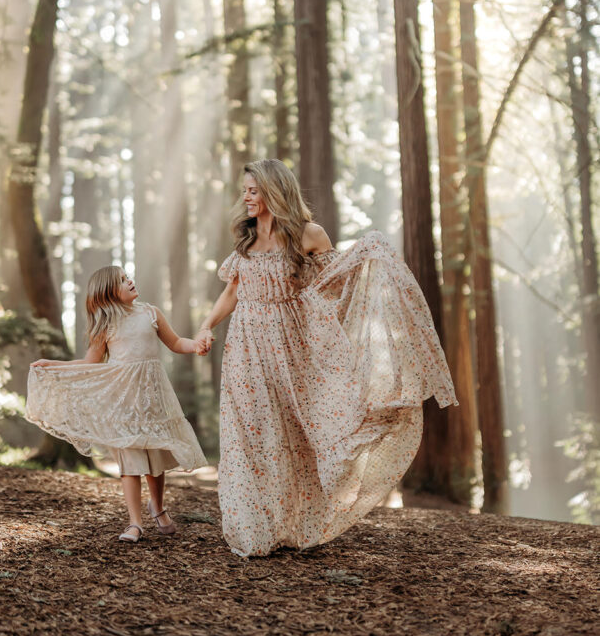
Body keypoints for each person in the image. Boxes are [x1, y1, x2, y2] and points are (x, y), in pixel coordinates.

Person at [196, 159, 457, 558]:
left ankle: (296, 524)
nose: (246, 197)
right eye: (245, 190)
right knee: (251, 433)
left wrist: (367, 255)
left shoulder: (308, 235)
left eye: (252, 189)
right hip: (246, 347)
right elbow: (232, 291)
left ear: (273, 190)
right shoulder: (246, 240)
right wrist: (206, 325)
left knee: (295, 435)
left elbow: (334, 286)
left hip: (292, 347)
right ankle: (255, 527)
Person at [27, 266, 206, 543]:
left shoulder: (151, 313)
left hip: (153, 399)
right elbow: (89, 363)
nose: (130, 280)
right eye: (122, 280)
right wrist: (55, 365)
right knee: (130, 461)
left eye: (128, 276)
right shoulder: (106, 325)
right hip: (122, 401)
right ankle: (135, 523)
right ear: (110, 292)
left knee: (155, 460)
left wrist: (194, 345)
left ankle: (157, 508)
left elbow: (175, 342)